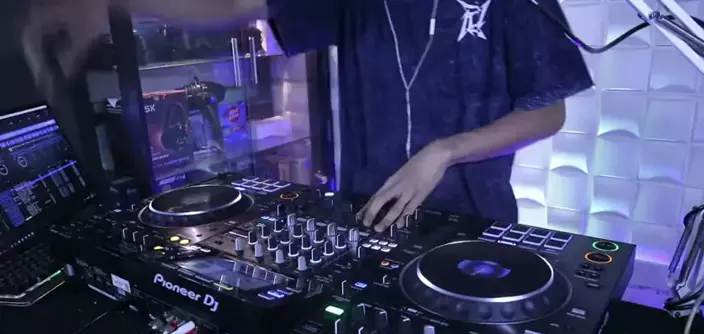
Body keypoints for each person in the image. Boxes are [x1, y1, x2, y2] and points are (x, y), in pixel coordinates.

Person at [22, 0, 592, 232]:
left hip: (475, 227)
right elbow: (233, 6)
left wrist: (444, 152)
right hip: (366, 218)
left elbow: (547, 113)